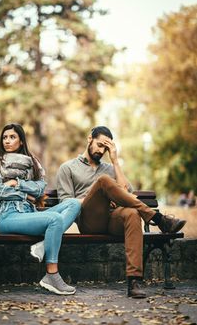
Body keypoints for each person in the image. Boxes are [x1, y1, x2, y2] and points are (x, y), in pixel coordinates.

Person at [56, 126, 187, 298]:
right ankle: (158, 218)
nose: (101, 150)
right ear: (90, 139)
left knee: (132, 214)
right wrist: (99, 194)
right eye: (99, 145)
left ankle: (134, 281)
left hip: (112, 219)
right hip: (89, 220)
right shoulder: (68, 167)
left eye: (106, 148)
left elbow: (127, 194)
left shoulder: (110, 168)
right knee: (103, 182)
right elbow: (66, 202)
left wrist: (115, 161)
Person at [0, 123, 81, 295]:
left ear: (21, 141)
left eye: (12, 137)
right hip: (8, 217)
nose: (7, 141)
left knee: (74, 204)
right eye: (5, 137)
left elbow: (39, 189)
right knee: (55, 219)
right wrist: (26, 196)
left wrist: (17, 183)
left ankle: (43, 246)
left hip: (30, 214)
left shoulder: (32, 164)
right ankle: (52, 275)